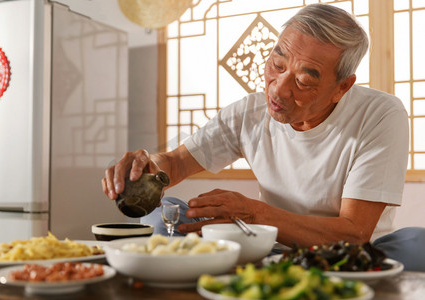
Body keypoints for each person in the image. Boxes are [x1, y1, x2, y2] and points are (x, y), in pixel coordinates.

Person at [102, 3, 425, 271]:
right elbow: (175, 162)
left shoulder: (380, 114)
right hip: (264, 246)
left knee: (416, 244)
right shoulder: (250, 111)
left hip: (348, 259)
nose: (278, 89)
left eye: (303, 80)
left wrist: (254, 212)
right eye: (277, 64)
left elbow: (354, 233)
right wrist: (149, 167)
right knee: (166, 211)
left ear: (342, 87)